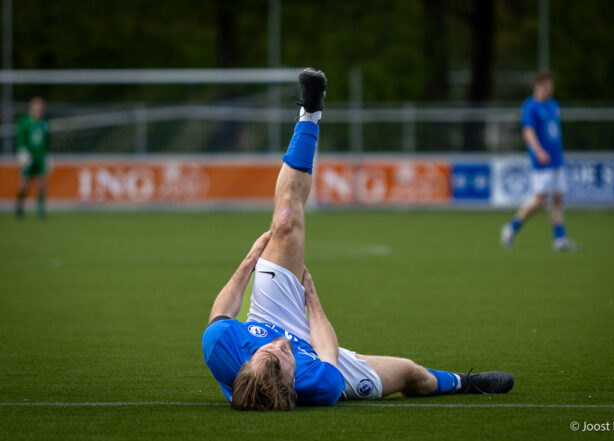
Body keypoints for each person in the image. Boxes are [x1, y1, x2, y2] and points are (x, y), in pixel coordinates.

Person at [202, 68, 514, 411]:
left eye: (268, 353)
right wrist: (312, 300)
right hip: (322, 355)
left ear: (246, 362)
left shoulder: (220, 348)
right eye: (283, 361)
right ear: (292, 383)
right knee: (411, 374)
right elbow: (326, 351)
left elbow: (223, 312)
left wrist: (249, 262)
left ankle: (309, 113)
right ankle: (463, 382)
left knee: (284, 223)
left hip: (268, 314)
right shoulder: (319, 385)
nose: (280, 347)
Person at [501, 70, 578, 251]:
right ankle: (511, 228)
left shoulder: (553, 105)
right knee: (540, 200)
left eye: (551, 87)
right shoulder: (530, 107)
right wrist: (538, 151)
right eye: (545, 87)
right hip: (542, 162)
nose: (548, 91)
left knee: (558, 198)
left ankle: (560, 239)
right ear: (537, 86)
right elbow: (528, 131)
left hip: (557, 160)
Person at [15, 97, 50, 219]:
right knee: (24, 185)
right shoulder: (24, 122)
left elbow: (47, 141)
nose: (39, 111)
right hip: (28, 158)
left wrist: (48, 155)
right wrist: (22, 153)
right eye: (37, 108)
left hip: (41, 158)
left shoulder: (44, 123)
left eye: (41, 108)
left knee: (42, 184)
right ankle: (19, 206)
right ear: (32, 108)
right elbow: (20, 139)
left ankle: (40, 210)